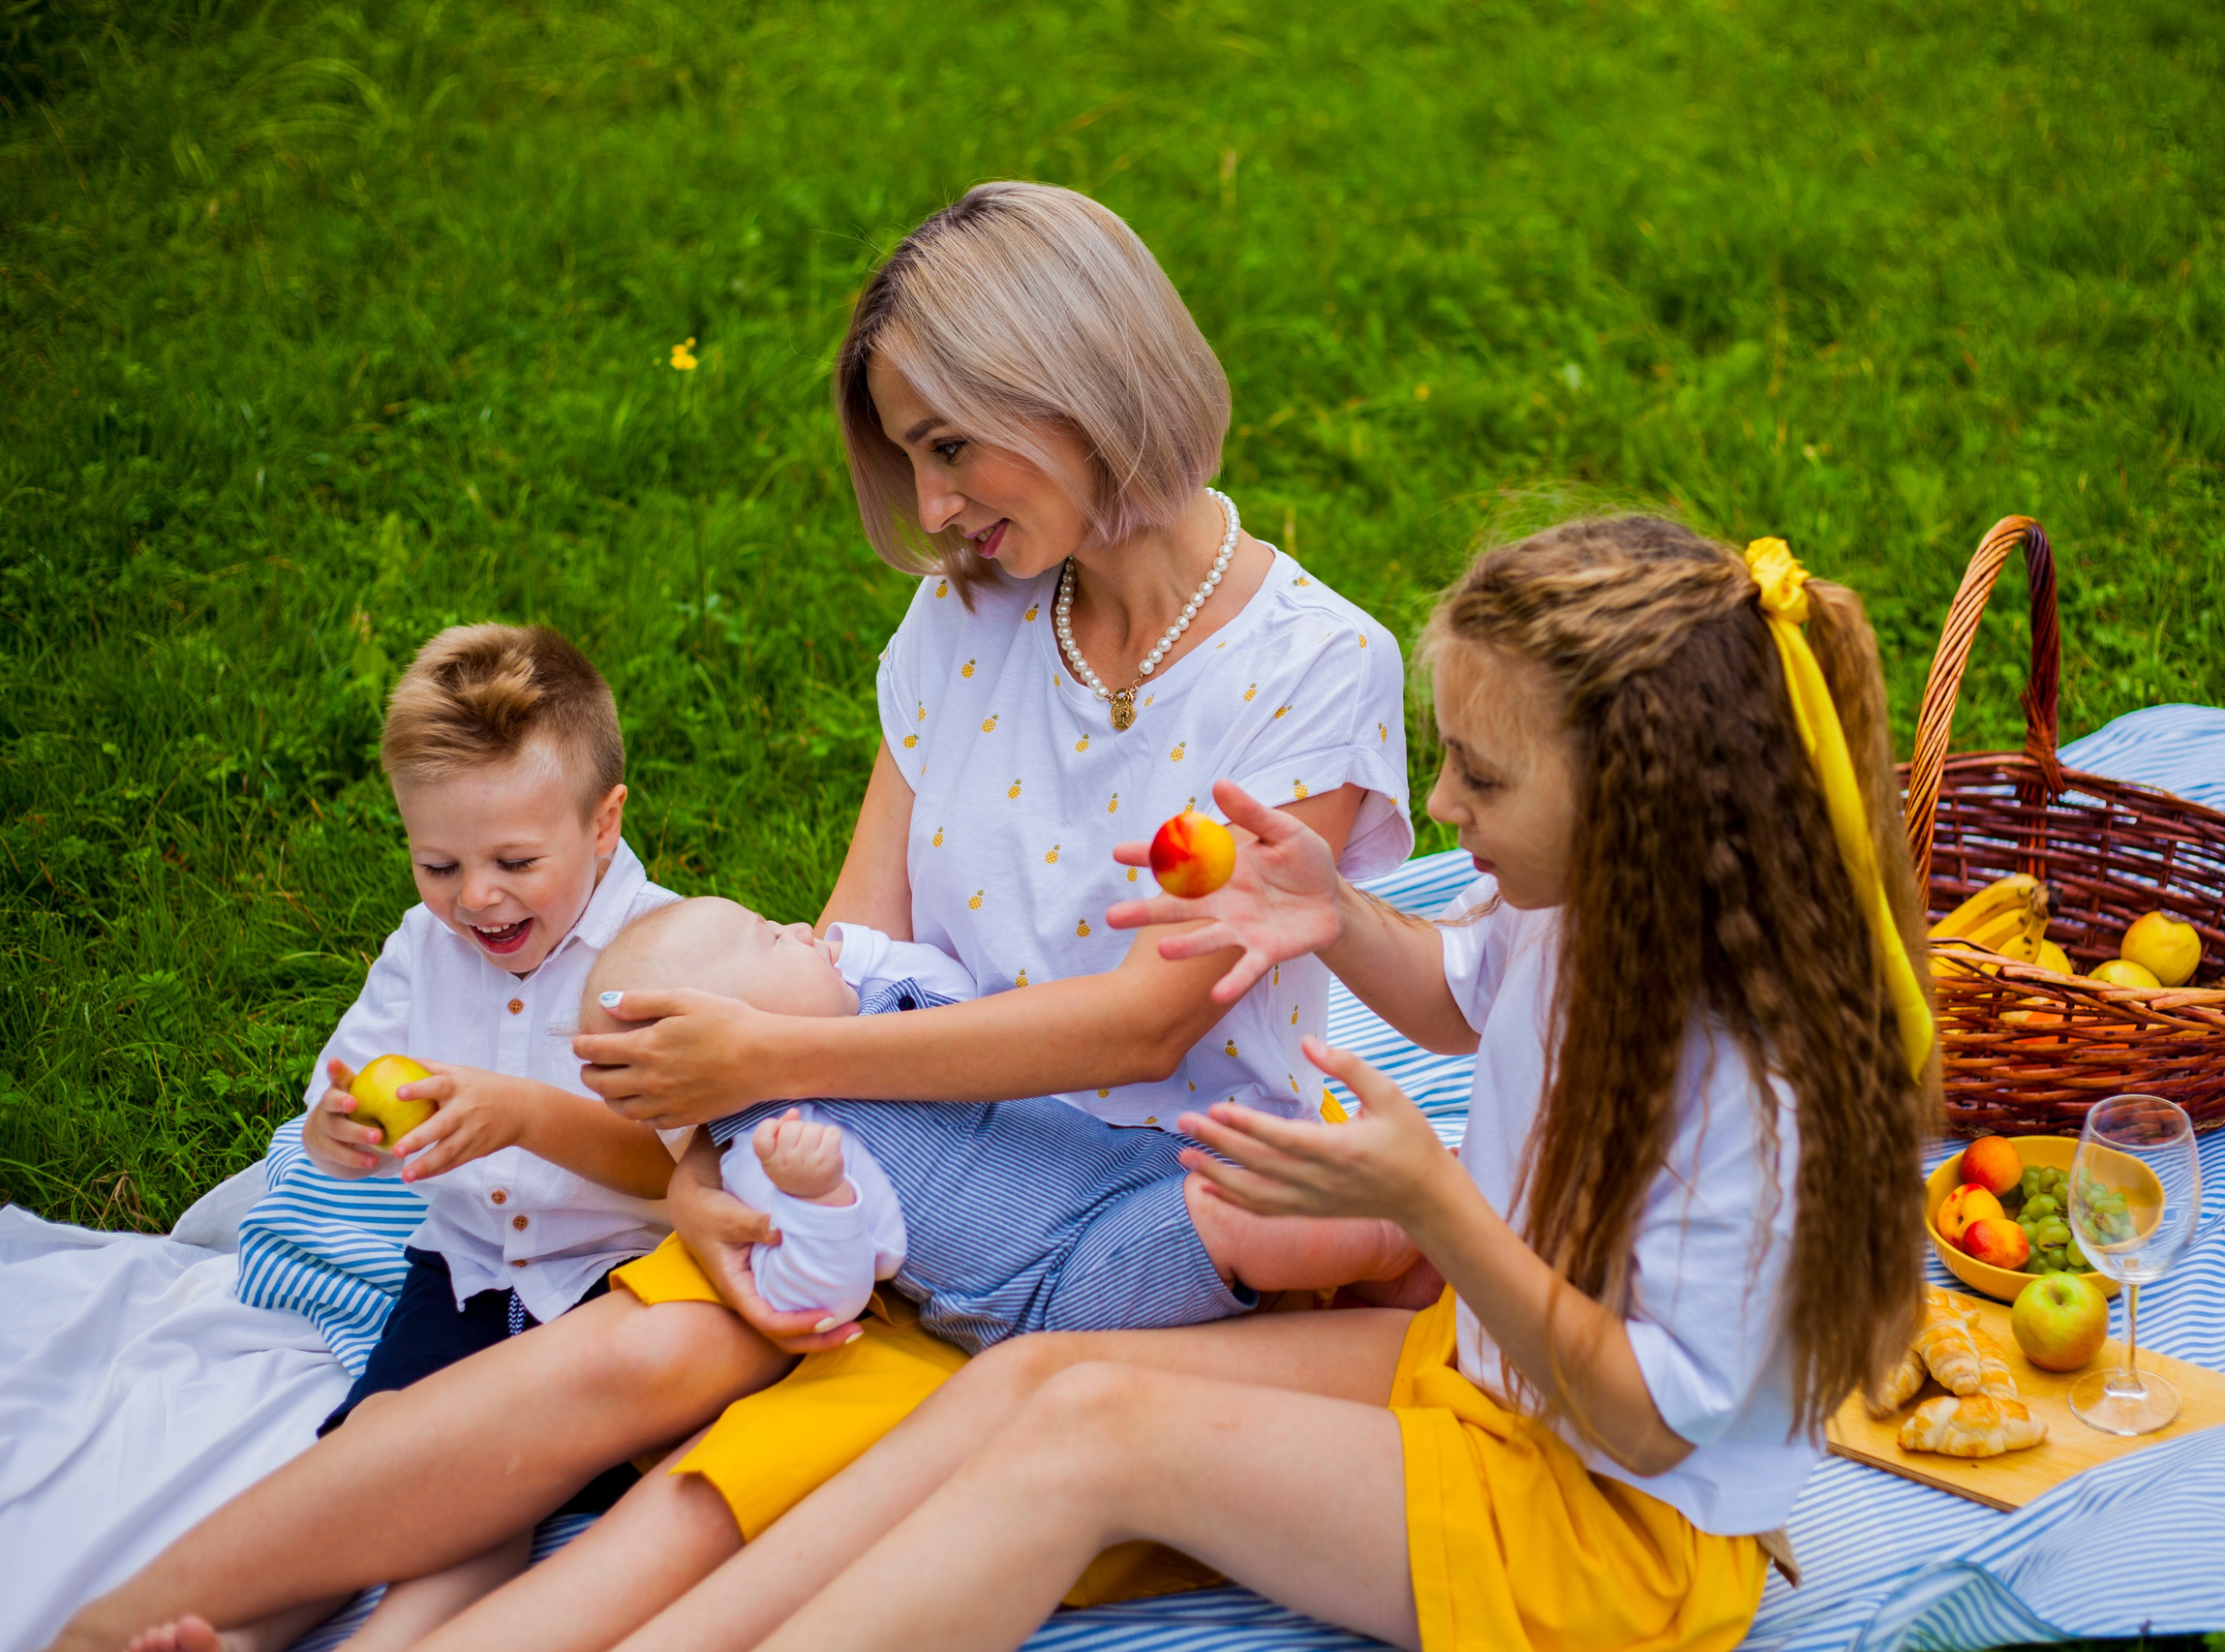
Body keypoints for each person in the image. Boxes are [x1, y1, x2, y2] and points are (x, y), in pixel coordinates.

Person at [54, 180, 1411, 1652]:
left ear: (1081, 385)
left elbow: (1155, 1019)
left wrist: (759, 1076)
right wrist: (715, 1160)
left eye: (953, 445)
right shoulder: (966, 617)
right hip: (876, 1182)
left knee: (706, 1502)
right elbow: (845, 945)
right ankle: (117, 1625)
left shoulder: (1317, 661)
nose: (937, 505)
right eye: (911, 456)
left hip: (1134, 1228)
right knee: (628, 1352)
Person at [489, 516, 1939, 1652]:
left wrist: (1433, 1206)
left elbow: (1648, 1422)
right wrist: (1335, 911)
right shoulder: (1584, 909)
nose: (1440, 809)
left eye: (1482, 783)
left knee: (1093, 1437)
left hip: (1603, 1531)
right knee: (1039, 1373)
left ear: (1640, 796)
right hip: (1481, 1388)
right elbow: (1457, 994)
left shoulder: (1758, 1091)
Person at [149, 624, 685, 1652]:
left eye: (513, 860)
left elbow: (670, 1175)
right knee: (381, 1456)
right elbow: (337, 1099)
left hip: (614, 1296)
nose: (474, 896)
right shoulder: (421, 946)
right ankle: (241, 1630)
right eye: (437, 860)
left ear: (605, 823)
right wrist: (337, 1131)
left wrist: (527, 1114)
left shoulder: (662, 955)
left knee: (488, 1480)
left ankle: (390, 1642)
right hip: (469, 1273)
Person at [586, 897, 1413, 1333]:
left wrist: (853, 967)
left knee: (1270, 1161)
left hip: (1127, 1165)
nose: (804, 928)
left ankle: (1393, 1274)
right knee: (1234, 1212)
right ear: (727, 1020)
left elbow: (950, 986)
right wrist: (820, 1200)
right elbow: (827, 1291)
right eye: (773, 939)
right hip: (1056, 1277)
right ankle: (1413, 1234)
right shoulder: (775, 1152)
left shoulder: (880, 997)